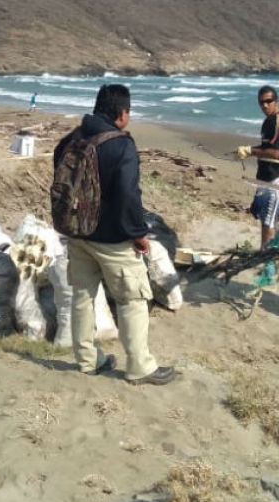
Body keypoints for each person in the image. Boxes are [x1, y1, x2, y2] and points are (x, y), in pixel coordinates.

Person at [54, 84, 176, 386]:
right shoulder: (121, 146)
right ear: (122, 113)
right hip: (112, 240)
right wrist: (138, 233)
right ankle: (139, 367)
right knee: (133, 298)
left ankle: (87, 360)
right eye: (128, 112)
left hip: (77, 234)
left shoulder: (72, 139)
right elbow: (128, 196)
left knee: (82, 297)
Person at [236, 86, 279, 248]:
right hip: (264, 178)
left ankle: (268, 261)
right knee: (265, 218)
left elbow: (275, 153)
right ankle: (265, 252)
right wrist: (248, 151)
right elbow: (265, 146)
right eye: (261, 102)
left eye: (269, 101)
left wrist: (250, 151)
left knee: (270, 222)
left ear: (277, 102)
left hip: (275, 180)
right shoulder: (268, 121)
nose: (265, 105)